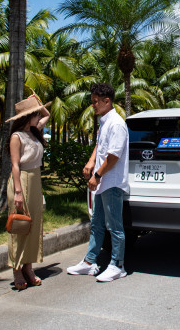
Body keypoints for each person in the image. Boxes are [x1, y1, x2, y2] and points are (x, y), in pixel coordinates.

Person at [67, 83, 130, 282]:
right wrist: (91, 161)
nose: (93, 105)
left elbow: (113, 156)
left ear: (106, 101)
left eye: (95, 102)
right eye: (92, 101)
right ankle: (89, 262)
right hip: (103, 182)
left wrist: (97, 175)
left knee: (115, 227)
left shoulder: (117, 124)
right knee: (97, 224)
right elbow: (99, 145)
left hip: (112, 182)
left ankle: (118, 265)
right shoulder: (105, 122)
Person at [6, 94, 51, 290]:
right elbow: (15, 165)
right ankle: (17, 269)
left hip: (35, 181)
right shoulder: (17, 137)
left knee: (34, 225)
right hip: (21, 181)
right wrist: (18, 191)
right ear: (27, 117)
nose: (38, 116)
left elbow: (47, 114)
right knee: (20, 225)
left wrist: (37, 102)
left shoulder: (34, 131)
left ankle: (29, 267)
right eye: (34, 114)